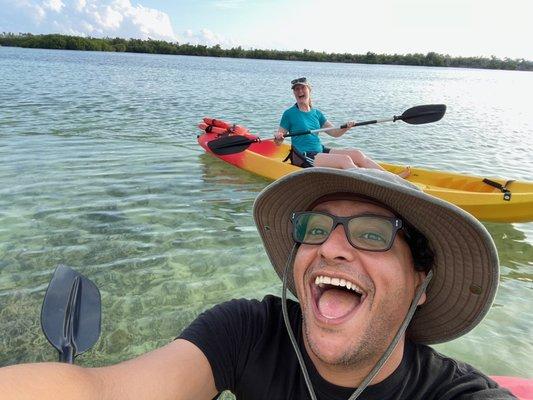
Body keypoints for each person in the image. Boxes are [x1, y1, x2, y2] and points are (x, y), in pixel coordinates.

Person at [0, 168, 518, 399]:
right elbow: (102, 392)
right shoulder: (248, 332)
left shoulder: (458, 394)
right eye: (313, 229)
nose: (331, 248)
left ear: (421, 282)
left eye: (372, 234)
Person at [274, 77, 410, 178]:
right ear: (294, 93)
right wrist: (278, 138)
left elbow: (334, 133)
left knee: (356, 154)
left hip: (320, 150)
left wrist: (346, 127)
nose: (299, 91)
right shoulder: (289, 114)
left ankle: (392, 178)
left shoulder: (316, 113)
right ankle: (373, 181)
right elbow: (278, 140)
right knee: (345, 160)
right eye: (296, 89)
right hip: (303, 156)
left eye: (302, 88)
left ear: (309, 90)